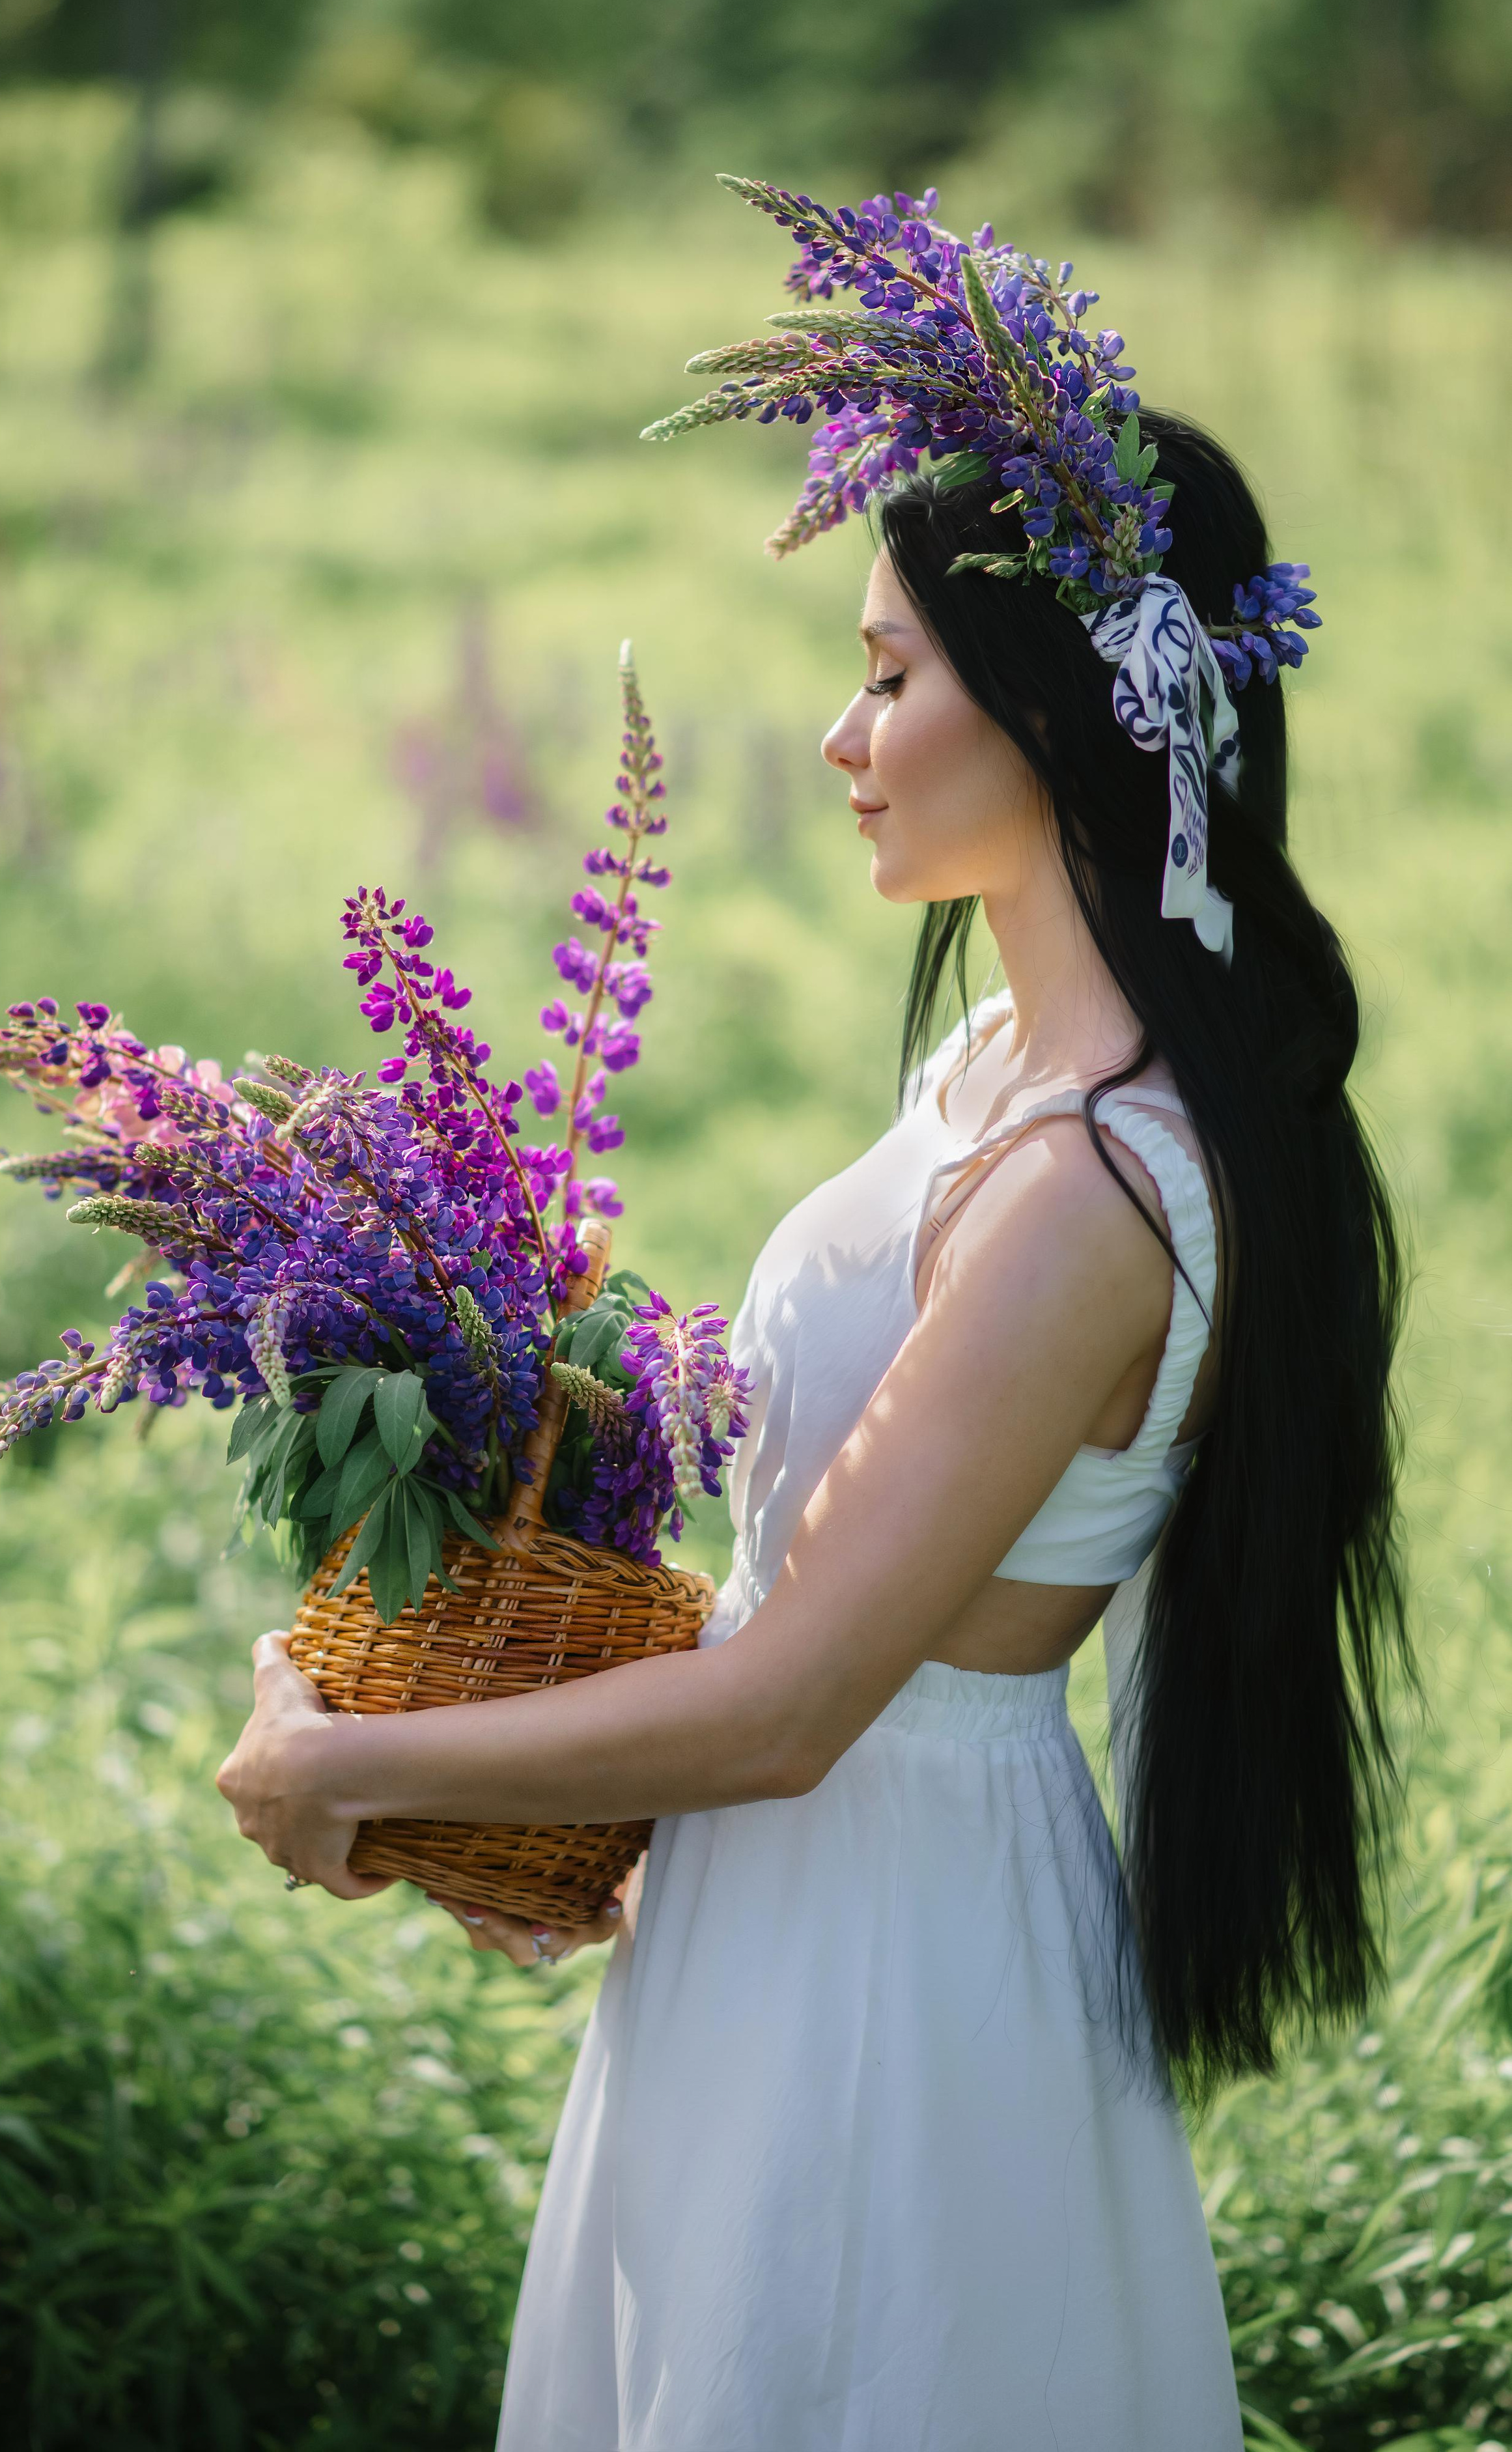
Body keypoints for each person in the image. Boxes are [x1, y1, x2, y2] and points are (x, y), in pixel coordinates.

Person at [217, 198, 1407, 2451]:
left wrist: (348, 1766)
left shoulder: (1082, 1190)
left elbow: (786, 1706)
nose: (843, 731)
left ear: (1054, 706)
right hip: (784, 1917)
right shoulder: (994, 1079)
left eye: (888, 671)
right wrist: (530, 1774)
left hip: (891, 1959)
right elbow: (793, 1612)